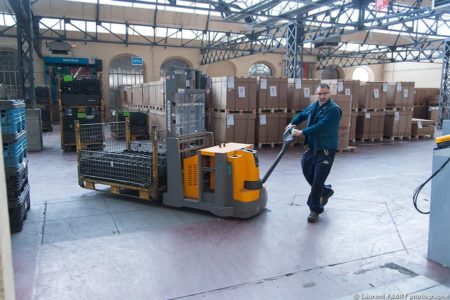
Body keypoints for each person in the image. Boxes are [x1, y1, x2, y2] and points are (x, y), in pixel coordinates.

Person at [287, 83, 342, 223]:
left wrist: (301, 132)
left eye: (325, 93)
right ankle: (325, 191)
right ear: (316, 94)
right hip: (312, 148)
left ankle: (314, 209)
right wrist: (291, 123)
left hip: (326, 150)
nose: (322, 96)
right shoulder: (314, 105)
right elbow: (302, 115)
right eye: (320, 93)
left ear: (329, 94)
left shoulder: (334, 110)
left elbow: (321, 126)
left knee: (317, 181)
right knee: (306, 170)